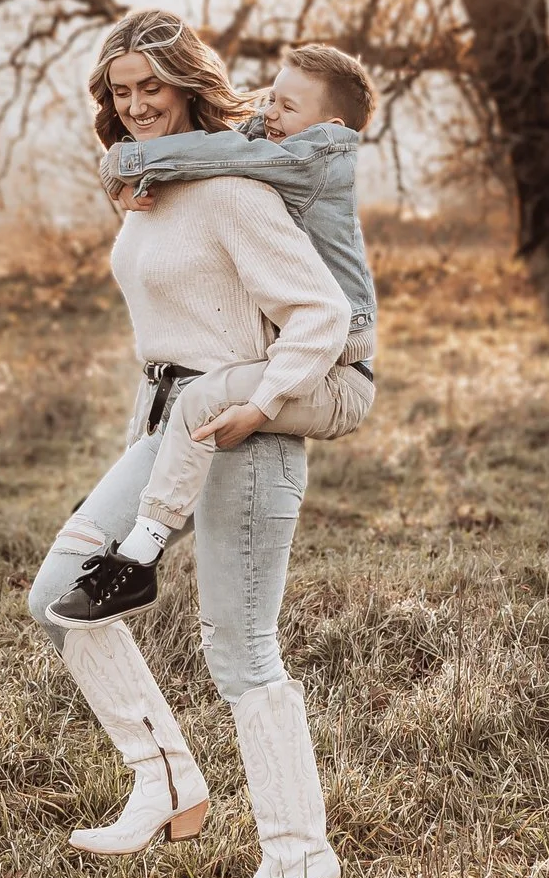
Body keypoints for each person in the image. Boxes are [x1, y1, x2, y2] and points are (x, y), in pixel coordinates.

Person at [27, 10, 348, 878]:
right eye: (120, 94)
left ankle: (298, 853)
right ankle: (164, 778)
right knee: (60, 591)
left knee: (240, 649)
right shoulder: (155, 189)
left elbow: (319, 312)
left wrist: (262, 398)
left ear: (188, 88)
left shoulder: (234, 188)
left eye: (151, 91)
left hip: (242, 430)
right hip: (164, 426)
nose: (134, 108)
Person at [46, 43, 380, 628]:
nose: (270, 113)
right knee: (55, 603)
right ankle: (133, 532)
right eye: (271, 97)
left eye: (152, 87)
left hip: (331, 367)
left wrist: (125, 162)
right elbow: (233, 135)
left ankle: (139, 556)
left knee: (242, 649)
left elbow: (218, 151)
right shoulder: (272, 140)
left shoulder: (309, 158)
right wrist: (121, 166)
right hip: (249, 383)